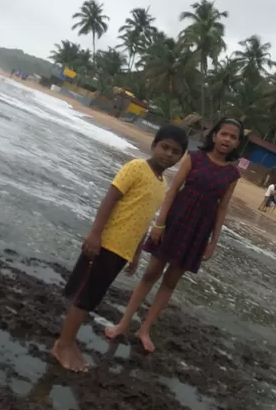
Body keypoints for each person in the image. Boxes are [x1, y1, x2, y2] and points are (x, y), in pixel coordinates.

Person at [52, 124, 188, 372]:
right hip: (105, 243)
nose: (168, 154)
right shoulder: (136, 167)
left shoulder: (162, 184)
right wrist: (95, 234)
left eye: (175, 151)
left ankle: (69, 342)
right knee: (83, 297)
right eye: (164, 147)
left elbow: (144, 219)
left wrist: (136, 253)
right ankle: (63, 344)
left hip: (122, 252)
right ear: (154, 145)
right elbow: (110, 198)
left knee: (91, 299)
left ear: (180, 157)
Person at [106, 117, 244, 352]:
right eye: (224, 134)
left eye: (233, 137)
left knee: (171, 281)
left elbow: (222, 209)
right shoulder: (195, 158)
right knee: (151, 273)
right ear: (214, 135)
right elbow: (172, 191)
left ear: (237, 143)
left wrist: (213, 241)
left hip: (199, 230)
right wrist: (159, 223)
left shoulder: (232, 175)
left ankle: (145, 329)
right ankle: (124, 323)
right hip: (175, 220)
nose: (227, 139)